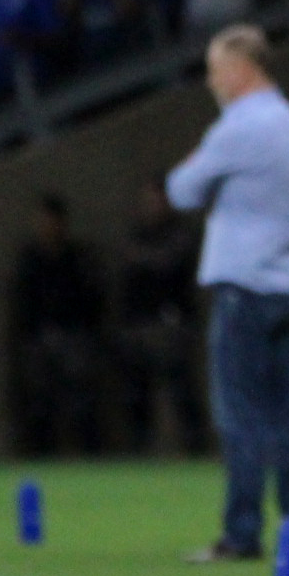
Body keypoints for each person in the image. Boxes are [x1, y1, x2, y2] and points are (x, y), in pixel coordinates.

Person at [166, 24, 289, 562]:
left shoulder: (239, 125)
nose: (212, 82)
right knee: (287, 414)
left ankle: (243, 532)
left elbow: (182, 190)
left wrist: (197, 161)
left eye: (216, 70)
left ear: (240, 68)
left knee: (240, 415)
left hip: (245, 287)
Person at [10, 194, 107, 455]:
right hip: (39, 341)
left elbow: (91, 300)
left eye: (51, 220)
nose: (47, 226)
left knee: (81, 401)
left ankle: (89, 456)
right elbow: (23, 304)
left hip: (74, 339)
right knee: (39, 403)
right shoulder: (29, 260)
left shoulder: (77, 258)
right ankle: (41, 456)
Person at [117, 179, 208, 454]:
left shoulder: (181, 234)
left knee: (182, 392)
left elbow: (168, 263)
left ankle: (196, 450)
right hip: (138, 326)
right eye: (149, 200)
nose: (153, 206)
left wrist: (142, 258)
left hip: (173, 326)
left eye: (158, 200)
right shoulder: (136, 234)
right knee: (137, 396)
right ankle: (139, 451)